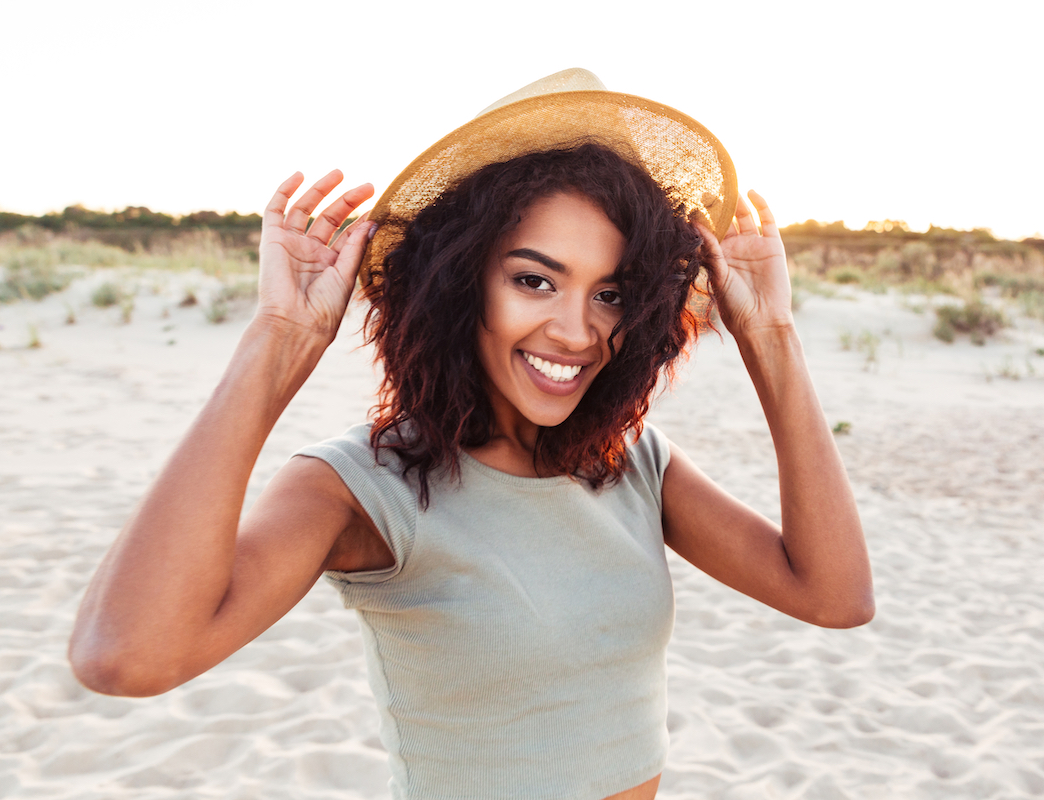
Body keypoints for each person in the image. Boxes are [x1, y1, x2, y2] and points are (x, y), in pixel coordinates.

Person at [69, 69, 873, 800]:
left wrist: (773, 339)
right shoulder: (359, 488)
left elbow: (834, 596)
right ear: (461, 282)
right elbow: (125, 657)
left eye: (611, 293)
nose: (576, 330)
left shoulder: (631, 465)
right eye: (534, 280)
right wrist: (277, 341)